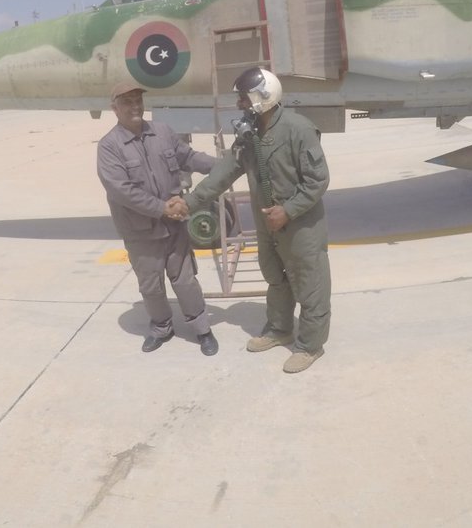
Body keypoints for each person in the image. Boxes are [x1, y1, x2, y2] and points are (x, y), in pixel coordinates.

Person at [182, 68, 331, 374]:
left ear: (263, 97)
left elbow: (318, 181)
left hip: (300, 224)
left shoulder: (298, 129)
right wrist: (189, 203)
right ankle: (280, 329)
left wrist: (288, 210)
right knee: (275, 277)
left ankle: (310, 345)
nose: (238, 104)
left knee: (310, 284)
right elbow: (224, 172)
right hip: (268, 224)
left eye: (242, 97)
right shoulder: (250, 135)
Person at [96, 79, 219, 356]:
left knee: (186, 280)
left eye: (138, 99)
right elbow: (121, 190)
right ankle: (162, 327)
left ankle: (202, 329)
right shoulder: (109, 147)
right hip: (140, 231)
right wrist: (162, 208)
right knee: (151, 285)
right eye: (127, 101)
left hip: (174, 226)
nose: (135, 105)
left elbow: (188, 157)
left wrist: (222, 166)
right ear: (114, 108)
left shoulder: (162, 132)